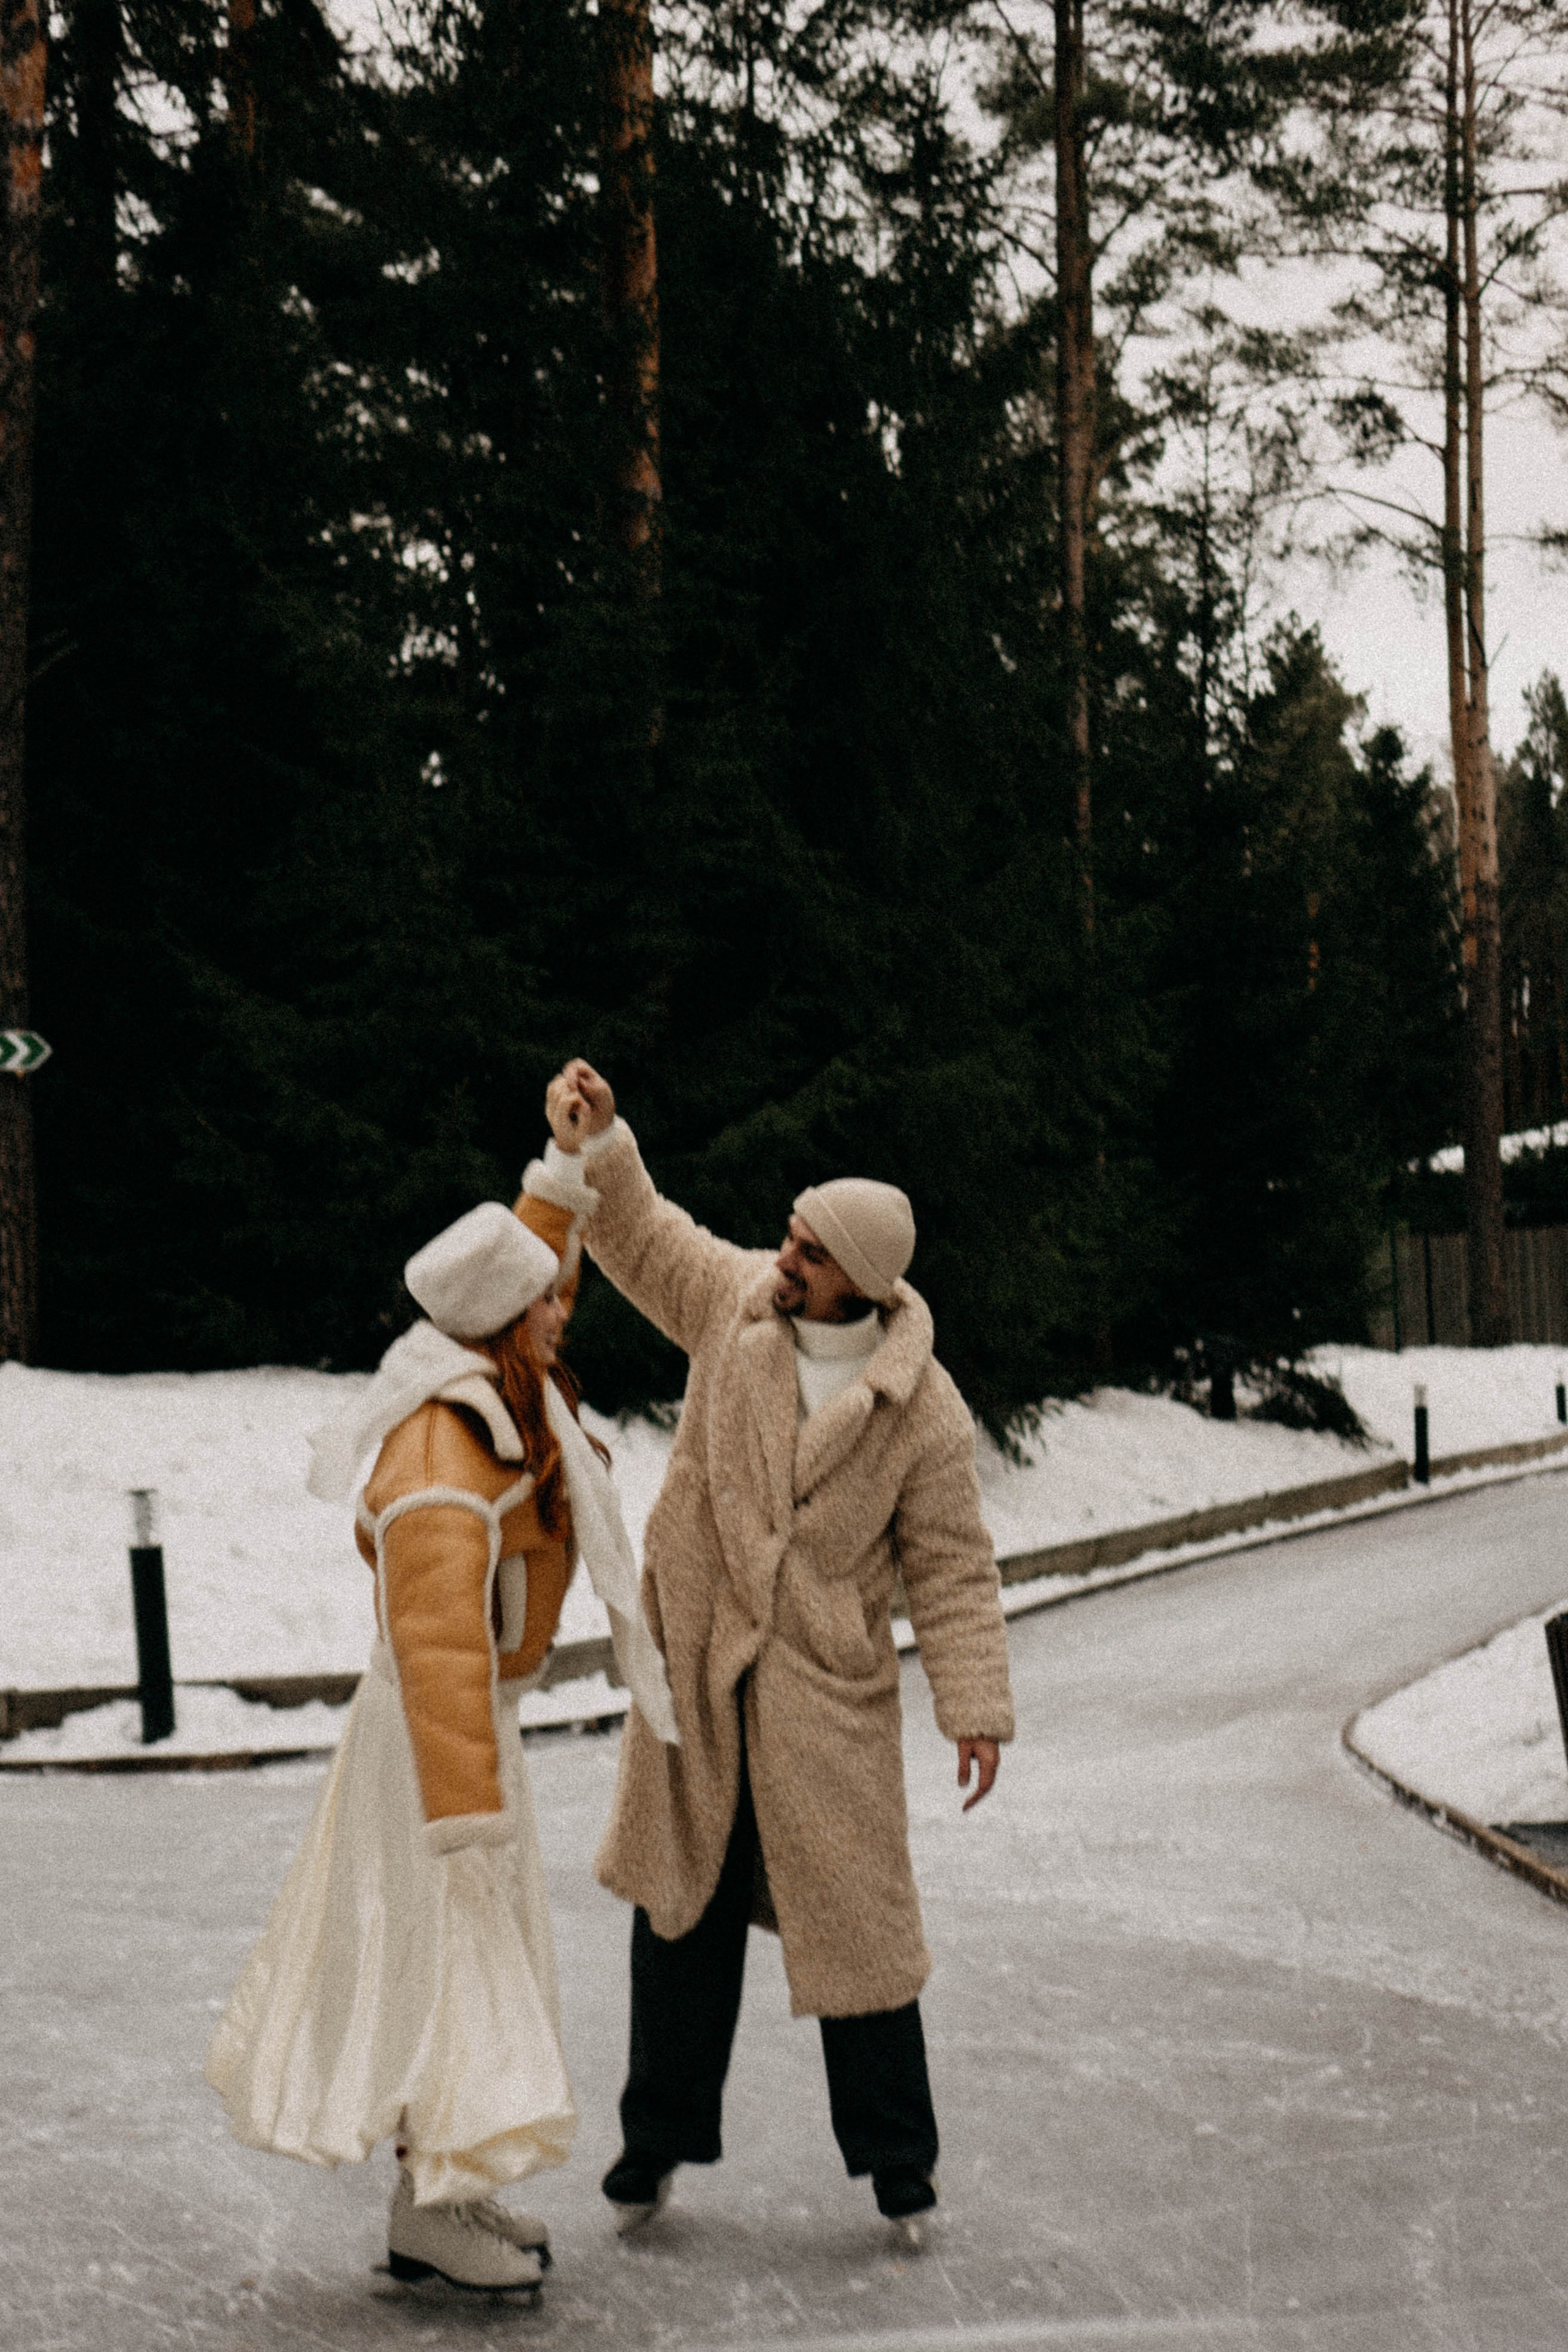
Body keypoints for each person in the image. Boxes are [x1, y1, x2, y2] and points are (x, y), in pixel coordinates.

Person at [540, 1058, 1014, 2248]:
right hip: (701, 1674)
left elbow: (951, 1563)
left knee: (860, 1935)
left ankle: (899, 2168)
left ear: (859, 1278)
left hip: (822, 1695)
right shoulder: (737, 1306)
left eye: (807, 1248)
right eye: (788, 1238)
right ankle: (651, 2146)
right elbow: (646, 1237)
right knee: (677, 1916)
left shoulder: (922, 1406)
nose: (783, 1256)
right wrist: (602, 1142)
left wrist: (975, 1706)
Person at [203, 1146, 677, 2294]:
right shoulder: (440, 1450)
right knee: (450, 1976)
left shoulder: (493, 1388)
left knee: (467, 1971)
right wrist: (465, 1812)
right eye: (548, 1302)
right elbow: (436, 1648)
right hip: (429, 1755)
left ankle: (443, 2195)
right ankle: (431, 2208)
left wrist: (564, 1167)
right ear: (506, 1323)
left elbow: (509, 1263)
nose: (565, 1313)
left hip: (467, 1742)